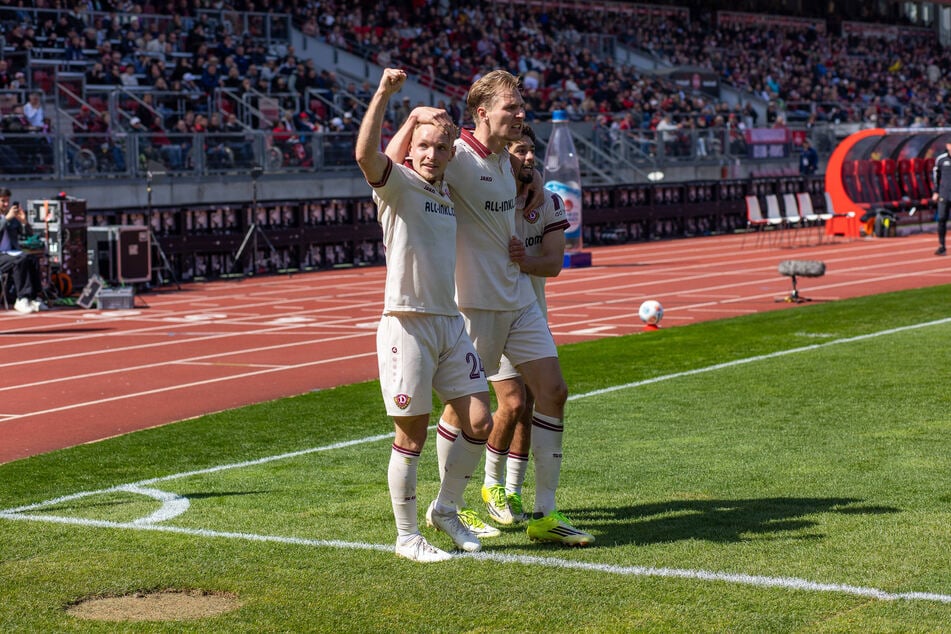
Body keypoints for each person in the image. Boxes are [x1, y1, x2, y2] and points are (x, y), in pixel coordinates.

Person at [386, 70, 593, 546]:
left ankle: (543, 512)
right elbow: (396, 167)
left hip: (517, 296)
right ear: (481, 113)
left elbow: (526, 175)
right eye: (511, 108)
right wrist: (411, 114)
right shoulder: (454, 153)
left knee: (554, 391)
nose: (521, 114)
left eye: (521, 107)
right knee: (463, 413)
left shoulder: (506, 159)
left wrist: (536, 178)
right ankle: (449, 507)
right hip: (473, 304)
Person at [355, 68, 492, 563]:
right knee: (411, 433)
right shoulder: (399, 186)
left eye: (440, 147)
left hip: (449, 323)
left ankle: (445, 510)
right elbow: (367, 157)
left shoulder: (443, 191)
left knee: (480, 418)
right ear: (411, 150)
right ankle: (406, 536)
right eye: (424, 145)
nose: (432, 153)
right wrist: (391, 99)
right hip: (407, 323)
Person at [486, 124, 569, 524]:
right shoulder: (489, 195)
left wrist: (523, 261)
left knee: (535, 401)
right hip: (490, 312)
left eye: (532, 149)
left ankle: (515, 492)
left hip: (531, 312)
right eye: (520, 149)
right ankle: (491, 485)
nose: (529, 156)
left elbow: (553, 264)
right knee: (512, 403)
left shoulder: (548, 202)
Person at [0, 189, 44, 314]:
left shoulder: (11, 218)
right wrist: (5, 219)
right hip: (2, 256)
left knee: (32, 259)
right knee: (20, 259)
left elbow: (28, 235)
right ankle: (21, 298)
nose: (6, 204)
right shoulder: (7, 218)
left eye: (7, 201)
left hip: (11, 253)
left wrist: (24, 221)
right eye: (2, 201)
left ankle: (33, 297)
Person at [931, 140, 951, 256]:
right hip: (944, 194)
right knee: (942, 219)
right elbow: (936, 176)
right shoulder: (941, 159)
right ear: (947, 146)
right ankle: (942, 245)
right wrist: (936, 192)